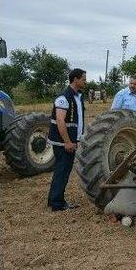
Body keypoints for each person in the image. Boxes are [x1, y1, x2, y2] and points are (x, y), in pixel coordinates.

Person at [47, 68, 86, 212]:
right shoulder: (64, 97)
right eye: (83, 78)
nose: (85, 81)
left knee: (62, 170)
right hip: (63, 142)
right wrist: (67, 142)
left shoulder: (77, 96)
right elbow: (60, 121)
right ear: (75, 79)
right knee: (62, 171)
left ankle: (54, 200)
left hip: (71, 140)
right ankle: (57, 203)